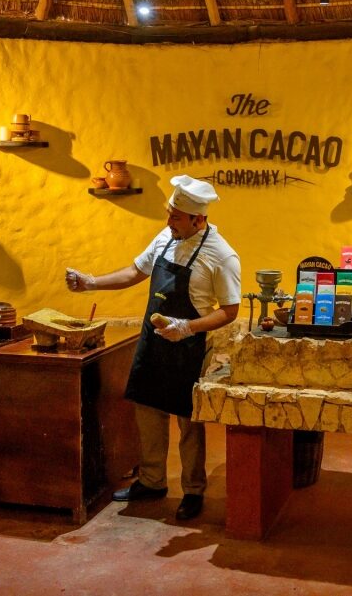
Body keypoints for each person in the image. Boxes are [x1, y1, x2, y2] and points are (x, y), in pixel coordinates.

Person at [65, 175, 241, 521]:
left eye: (175, 216)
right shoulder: (165, 238)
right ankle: (152, 480)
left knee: (188, 421)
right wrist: (91, 283)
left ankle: (193, 490)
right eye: (169, 213)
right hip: (154, 340)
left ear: (198, 219)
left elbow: (230, 310)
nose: (168, 221)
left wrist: (186, 327)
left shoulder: (221, 255)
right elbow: (135, 271)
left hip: (191, 346)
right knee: (147, 410)